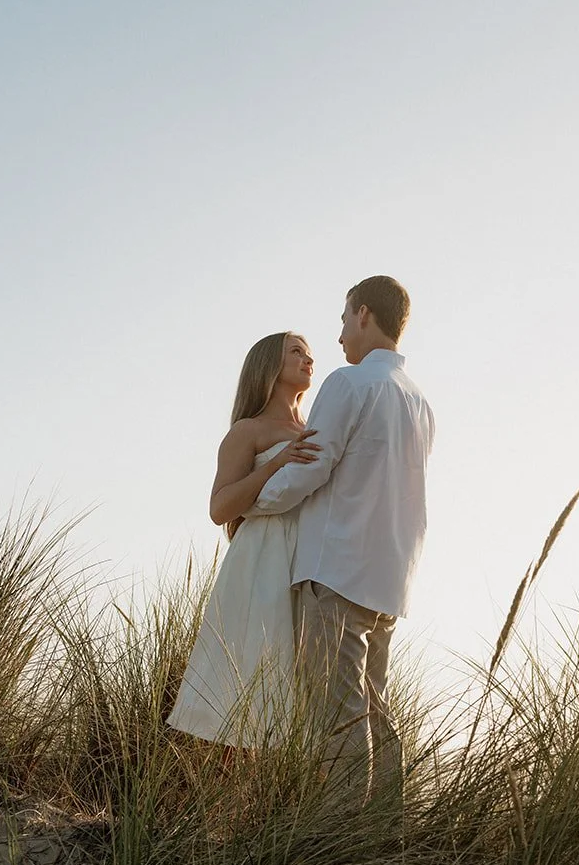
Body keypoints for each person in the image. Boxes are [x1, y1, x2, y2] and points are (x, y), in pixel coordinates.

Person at [251, 275, 435, 803]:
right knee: (373, 709)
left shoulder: (349, 383)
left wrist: (253, 504)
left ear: (362, 314)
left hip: (337, 569)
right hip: (390, 576)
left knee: (337, 716)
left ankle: (344, 840)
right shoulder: (421, 402)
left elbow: (312, 465)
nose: (337, 338)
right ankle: (384, 837)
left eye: (342, 319)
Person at [166, 331, 319, 744]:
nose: (308, 359)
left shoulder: (317, 428)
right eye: (296, 352)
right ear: (269, 365)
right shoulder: (247, 431)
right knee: (248, 674)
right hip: (260, 558)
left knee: (300, 686)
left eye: (309, 353)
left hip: (307, 559)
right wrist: (277, 463)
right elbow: (220, 508)